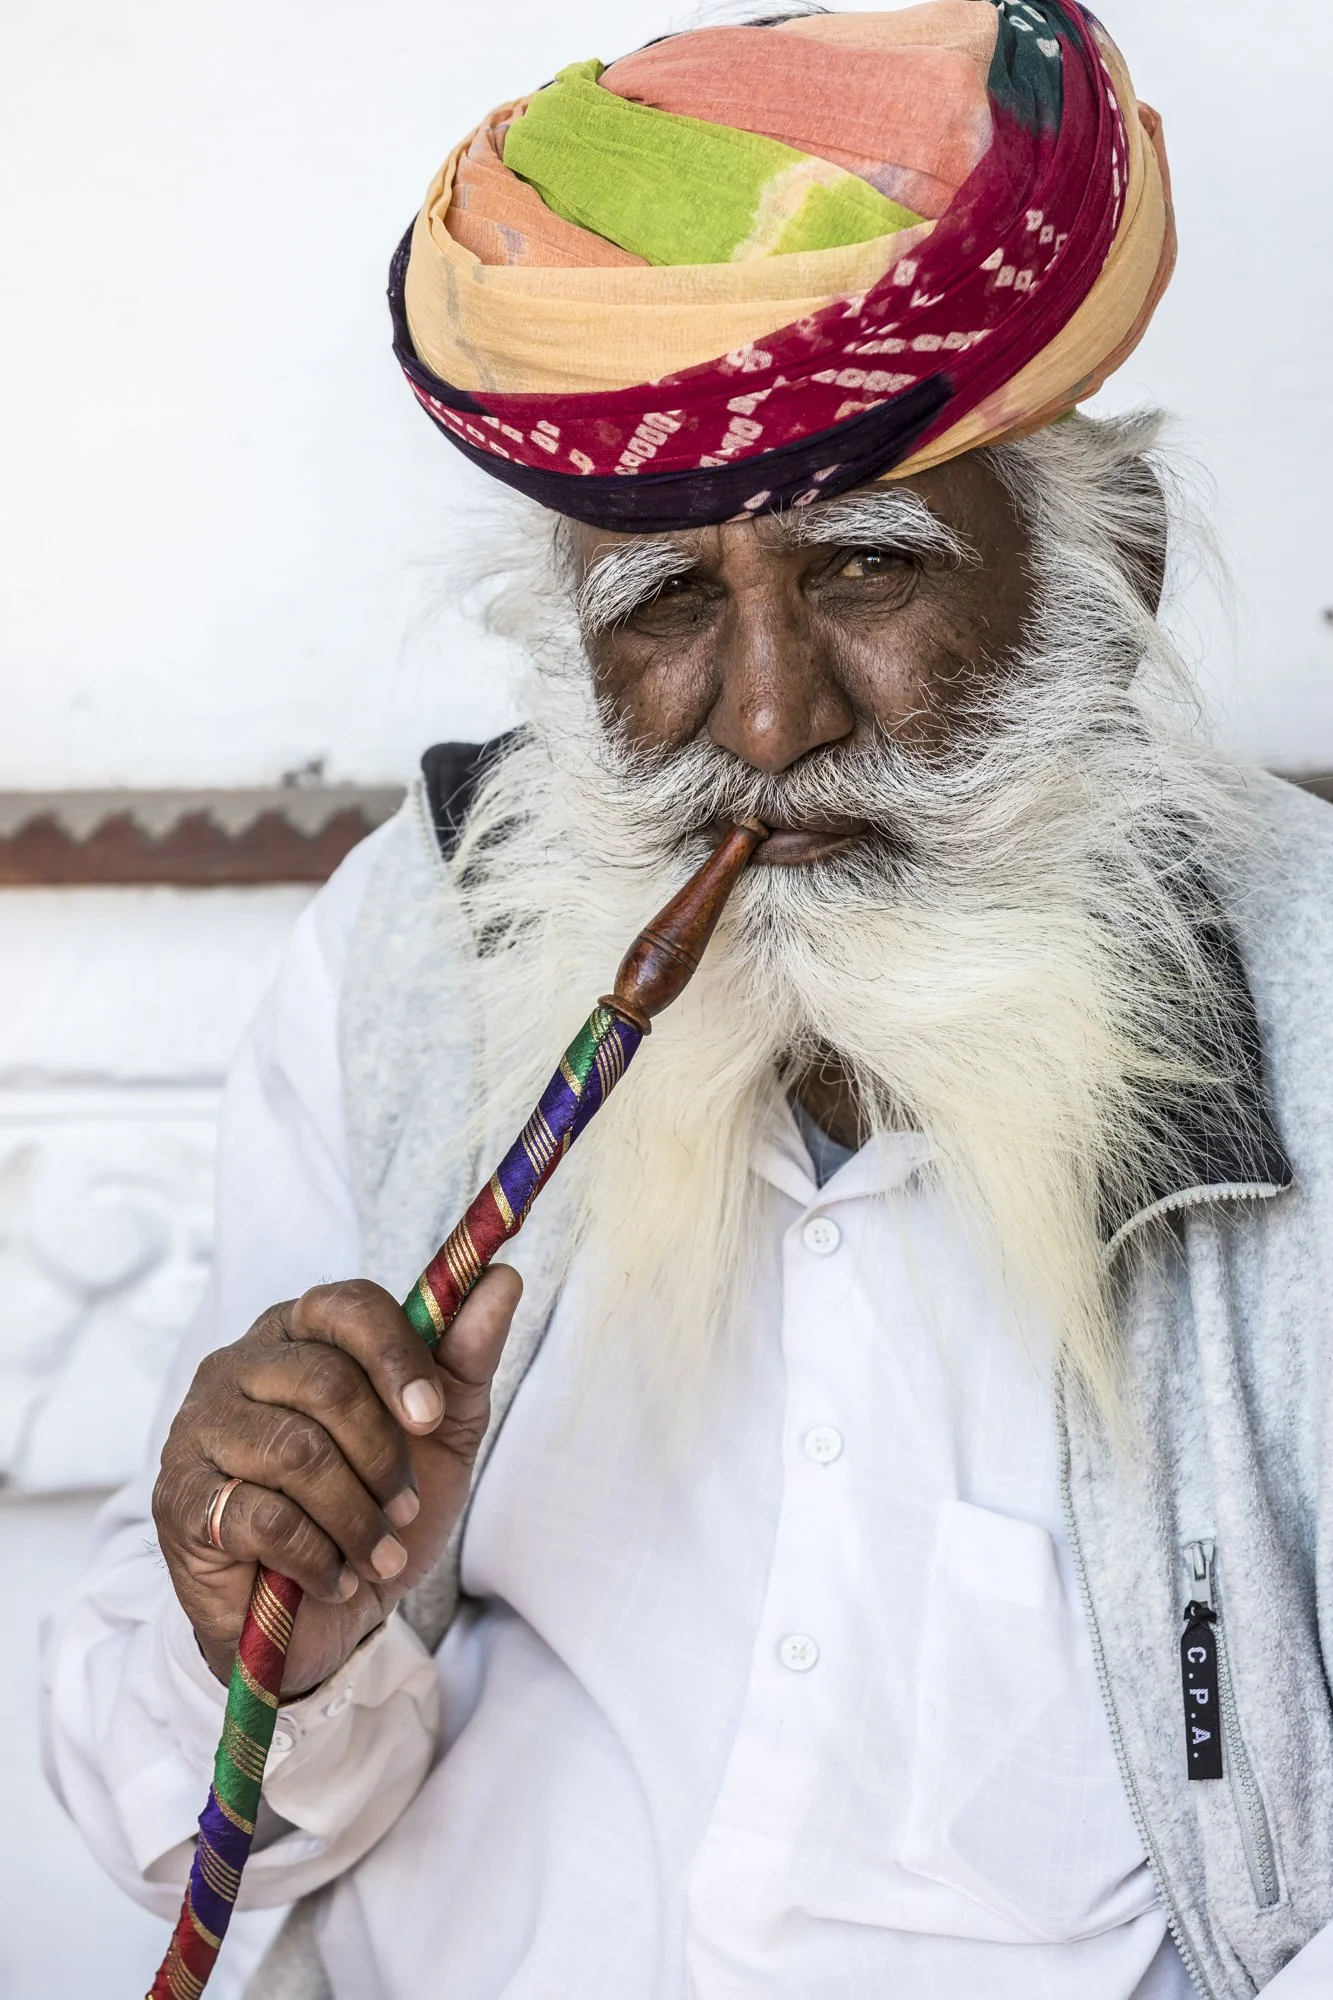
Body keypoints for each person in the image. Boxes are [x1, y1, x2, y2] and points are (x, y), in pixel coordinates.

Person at [40, 5, 1333, 1996]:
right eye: (660, 609)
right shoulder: (419, 945)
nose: (765, 721)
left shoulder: (1311, 1000)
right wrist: (265, 1611)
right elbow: (182, 1819)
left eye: (866, 575)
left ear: (1107, 581)